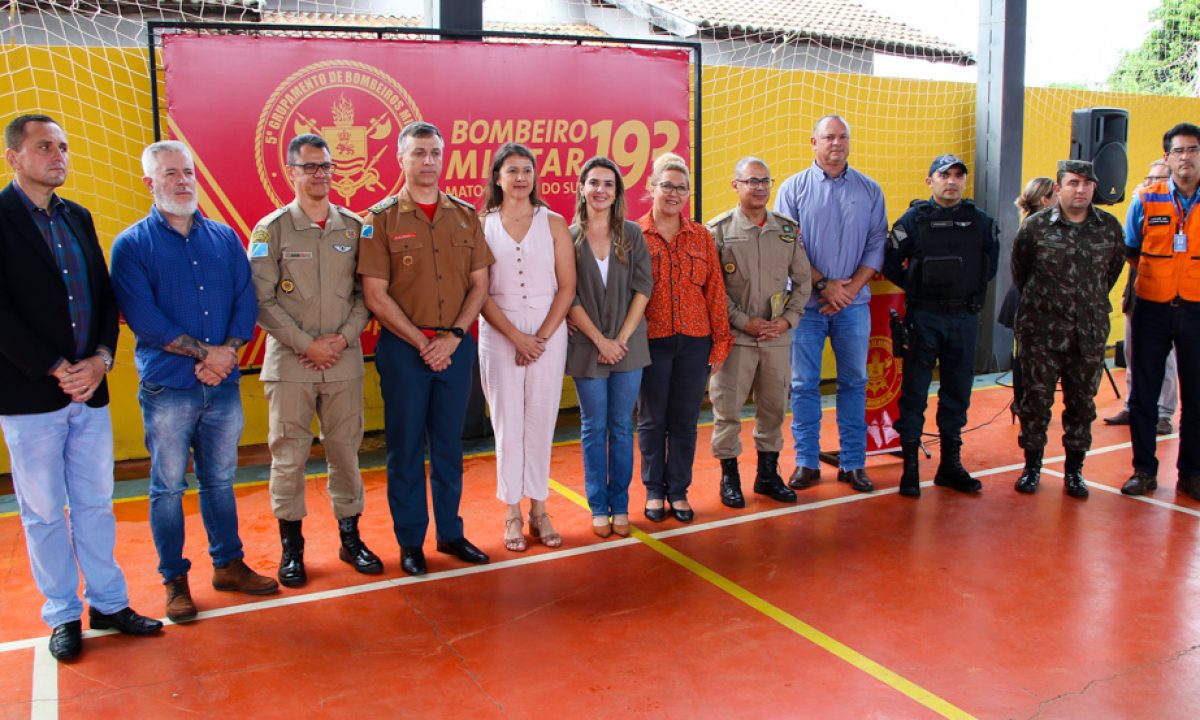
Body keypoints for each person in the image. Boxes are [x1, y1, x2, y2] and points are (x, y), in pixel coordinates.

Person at [0, 114, 161, 661]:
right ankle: (63, 614)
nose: (58, 155)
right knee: (44, 511)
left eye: (63, 146)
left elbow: (103, 294)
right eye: (44, 147)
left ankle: (109, 604)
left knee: (95, 503)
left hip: (88, 389)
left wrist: (98, 358)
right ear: (14, 158)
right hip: (30, 394)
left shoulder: (79, 217)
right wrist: (53, 366)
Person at [111, 140, 279, 623]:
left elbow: (245, 301)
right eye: (170, 174)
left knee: (221, 481)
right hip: (169, 387)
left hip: (221, 384)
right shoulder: (132, 245)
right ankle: (174, 580)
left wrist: (223, 355)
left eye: (188, 172)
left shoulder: (225, 238)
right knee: (167, 486)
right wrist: (209, 355)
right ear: (149, 183)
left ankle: (228, 565)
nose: (183, 181)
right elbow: (145, 320)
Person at [357, 121, 494, 575]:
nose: (428, 161)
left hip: (454, 348)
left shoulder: (464, 216)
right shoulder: (379, 220)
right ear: (401, 158)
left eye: (435, 152)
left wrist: (452, 337)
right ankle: (411, 541)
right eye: (418, 153)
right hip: (403, 352)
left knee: (450, 448)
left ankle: (451, 534)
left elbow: (480, 285)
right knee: (406, 448)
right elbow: (376, 295)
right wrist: (423, 342)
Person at [249, 134, 381, 587]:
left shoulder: (354, 227)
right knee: (289, 456)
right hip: (291, 365)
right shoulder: (271, 230)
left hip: (343, 361)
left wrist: (341, 341)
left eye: (325, 166)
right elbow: (262, 301)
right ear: (292, 172)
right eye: (309, 167)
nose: (319, 174)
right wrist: (307, 345)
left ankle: (351, 538)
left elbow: (368, 295)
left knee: (345, 452)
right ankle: (293, 549)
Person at [773, 114, 886, 493]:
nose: (837, 143)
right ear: (813, 143)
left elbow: (876, 244)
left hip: (852, 306)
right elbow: (789, 245)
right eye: (829, 137)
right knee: (803, 384)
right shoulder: (792, 189)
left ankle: (854, 463)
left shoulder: (870, 190)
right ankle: (806, 461)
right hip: (805, 306)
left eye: (843, 137)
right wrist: (823, 284)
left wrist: (849, 289)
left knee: (855, 382)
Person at [478, 143, 575, 551]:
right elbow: (478, 292)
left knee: (540, 423)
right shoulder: (480, 224)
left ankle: (540, 509)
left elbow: (567, 288)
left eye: (527, 170)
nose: (521, 178)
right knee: (507, 425)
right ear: (497, 177)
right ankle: (512, 512)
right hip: (498, 333)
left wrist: (540, 338)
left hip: (548, 334)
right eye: (512, 170)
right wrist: (516, 337)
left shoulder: (553, 222)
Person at [883, 154, 998, 498]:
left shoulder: (981, 222)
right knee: (915, 392)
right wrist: (917, 285)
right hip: (925, 318)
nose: (952, 181)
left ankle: (950, 465)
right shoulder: (914, 220)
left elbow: (988, 268)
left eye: (958, 175)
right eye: (944, 175)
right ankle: (911, 470)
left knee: (957, 392)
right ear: (929, 181)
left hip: (963, 318)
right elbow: (890, 262)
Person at [1011, 160, 1125, 498]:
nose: (1081, 189)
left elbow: (1112, 272)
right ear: (1058, 188)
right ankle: (1032, 468)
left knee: (1082, 403)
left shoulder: (1109, 227)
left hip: (1086, 333)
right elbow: (1021, 271)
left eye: (1087, 183)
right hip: (1040, 331)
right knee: (1035, 402)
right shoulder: (1035, 227)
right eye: (1073, 183)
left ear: (1094, 188)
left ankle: (1074, 472)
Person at [708, 156, 811, 508]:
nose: (759, 187)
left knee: (773, 410)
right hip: (737, 338)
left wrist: (788, 320)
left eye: (765, 181)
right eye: (751, 181)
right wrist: (742, 321)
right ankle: (730, 478)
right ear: (735, 185)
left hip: (776, 338)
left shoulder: (786, 229)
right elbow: (713, 290)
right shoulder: (718, 231)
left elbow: (803, 280)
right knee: (728, 411)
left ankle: (767, 476)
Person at [638, 152, 733, 523]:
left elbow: (715, 291)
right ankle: (652, 490)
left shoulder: (701, 236)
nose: (674, 194)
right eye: (667, 186)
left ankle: (677, 490)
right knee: (651, 420)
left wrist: (720, 341)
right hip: (651, 342)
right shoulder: (634, 234)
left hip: (695, 342)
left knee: (683, 421)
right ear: (652, 188)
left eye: (681, 188)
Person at [566, 157, 653, 538]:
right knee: (592, 427)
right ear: (582, 188)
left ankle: (620, 506)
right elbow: (566, 295)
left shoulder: (631, 234)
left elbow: (643, 288)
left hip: (629, 348)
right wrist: (600, 340)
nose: (601, 190)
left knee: (621, 427)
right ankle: (598, 506)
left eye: (609, 184)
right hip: (587, 348)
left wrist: (620, 340)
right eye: (594, 182)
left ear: (617, 193)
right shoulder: (567, 237)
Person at [1121, 123, 1200, 500]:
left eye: (1194, 150)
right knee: (1144, 394)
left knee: (1196, 396)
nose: (1186, 157)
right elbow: (1131, 250)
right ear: (1167, 157)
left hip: (1197, 311)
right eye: (1179, 150)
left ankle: (1191, 474)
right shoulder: (1146, 199)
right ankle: (1143, 470)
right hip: (1152, 308)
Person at [1104, 159, 1177, 435]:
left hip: (1168, 295)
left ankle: (1165, 413)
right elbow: (1129, 250)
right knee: (1132, 352)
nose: (1152, 183)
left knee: (1165, 358)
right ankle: (1132, 405)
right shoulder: (1141, 206)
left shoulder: (1179, 212)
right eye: (1149, 178)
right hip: (1138, 291)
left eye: (1159, 178)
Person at [1001, 177, 1058, 416]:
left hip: (1025, 295)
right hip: (1030, 297)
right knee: (1030, 355)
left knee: (1025, 354)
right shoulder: (1039, 227)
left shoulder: (1034, 224)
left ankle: (1023, 401)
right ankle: (1025, 402)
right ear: (1045, 199)